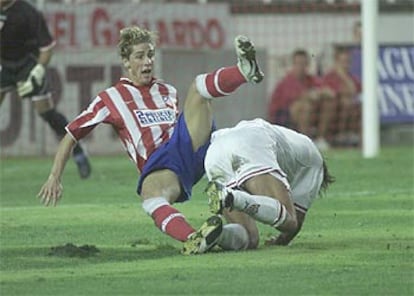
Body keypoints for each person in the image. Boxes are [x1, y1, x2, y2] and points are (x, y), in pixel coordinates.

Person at [37, 26, 264, 255]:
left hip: (189, 147)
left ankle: (243, 71)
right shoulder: (110, 99)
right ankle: (198, 238)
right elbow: (71, 135)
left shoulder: (168, 91)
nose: (147, 62)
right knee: (247, 237)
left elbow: (183, 125)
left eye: (150, 55)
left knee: (197, 90)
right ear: (126, 61)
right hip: (163, 164)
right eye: (139, 56)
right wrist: (54, 176)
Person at [204, 118, 335, 250]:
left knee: (249, 239)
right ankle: (232, 197)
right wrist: (280, 242)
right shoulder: (315, 165)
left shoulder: (295, 143)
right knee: (290, 220)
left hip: (215, 150)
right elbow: (294, 224)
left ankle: (218, 235)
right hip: (252, 143)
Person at [0, 0, 91, 178]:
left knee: (47, 112)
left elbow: (46, 49)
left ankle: (78, 151)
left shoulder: (29, 13)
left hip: (28, 65)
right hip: (4, 65)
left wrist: (37, 72)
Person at [267, 49, 336, 151]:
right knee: (304, 106)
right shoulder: (286, 82)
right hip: (283, 116)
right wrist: (310, 95)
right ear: (293, 64)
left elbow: (327, 91)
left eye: (304, 63)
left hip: (311, 114)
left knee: (328, 103)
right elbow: (295, 99)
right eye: (298, 63)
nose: (301, 67)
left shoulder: (310, 79)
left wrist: (322, 92)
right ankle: (306, 141)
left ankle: (320, 139)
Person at [323, 46, 361, 146]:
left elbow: (355, 91)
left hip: (350, 111)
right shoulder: (329, 77)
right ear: (336, 62)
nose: (346, 65)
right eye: (343, 61)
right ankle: (325, 137)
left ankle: (351, 135)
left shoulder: (351, 78)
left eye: (348, 61)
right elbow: (330, 93)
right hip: (333, 111)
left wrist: (344, 77)